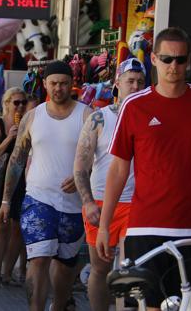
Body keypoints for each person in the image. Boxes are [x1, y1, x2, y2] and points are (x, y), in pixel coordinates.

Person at [95, 27, 191, 311]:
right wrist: (105, 226)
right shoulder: (135, 106)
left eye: (180, 60)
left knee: (187, 305)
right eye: (167, 59)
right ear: (154, 59)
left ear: (189, 61)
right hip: (146, 228)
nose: (174, 66)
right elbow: (119, 169)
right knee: (149, 308)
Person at [0, 61, 91, 311]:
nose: (58, 88)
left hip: (73, 205)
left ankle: (59, 305)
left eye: (63, 83)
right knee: (38, 258)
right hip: (38, 198)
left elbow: (103, 157)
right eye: (53, 83)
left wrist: (85, 174)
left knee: (64, 264)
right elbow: (16, 160)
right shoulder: (32, 117)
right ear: (45, 84)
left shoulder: (88, 115)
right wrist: (6, 201)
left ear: (72, 83)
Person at [73, 58, 146, 311]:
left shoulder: (150, 118)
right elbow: (80, 167)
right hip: (102, 202)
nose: (135, 86)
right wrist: (88, 202)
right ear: (117, 84)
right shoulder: (99, 118)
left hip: (136, 204)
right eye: (130, 81)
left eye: (140, 82)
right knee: (100, 268)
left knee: (129, 269)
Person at [0, 87, 28, 288]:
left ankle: (8, 272)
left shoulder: (29, 121)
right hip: (2, 178)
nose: (19, 106)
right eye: (16, 102)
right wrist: (10, 137)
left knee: (18, 227)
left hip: (24, 178)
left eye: (22, 103)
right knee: (2, 225)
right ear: (7, 103)